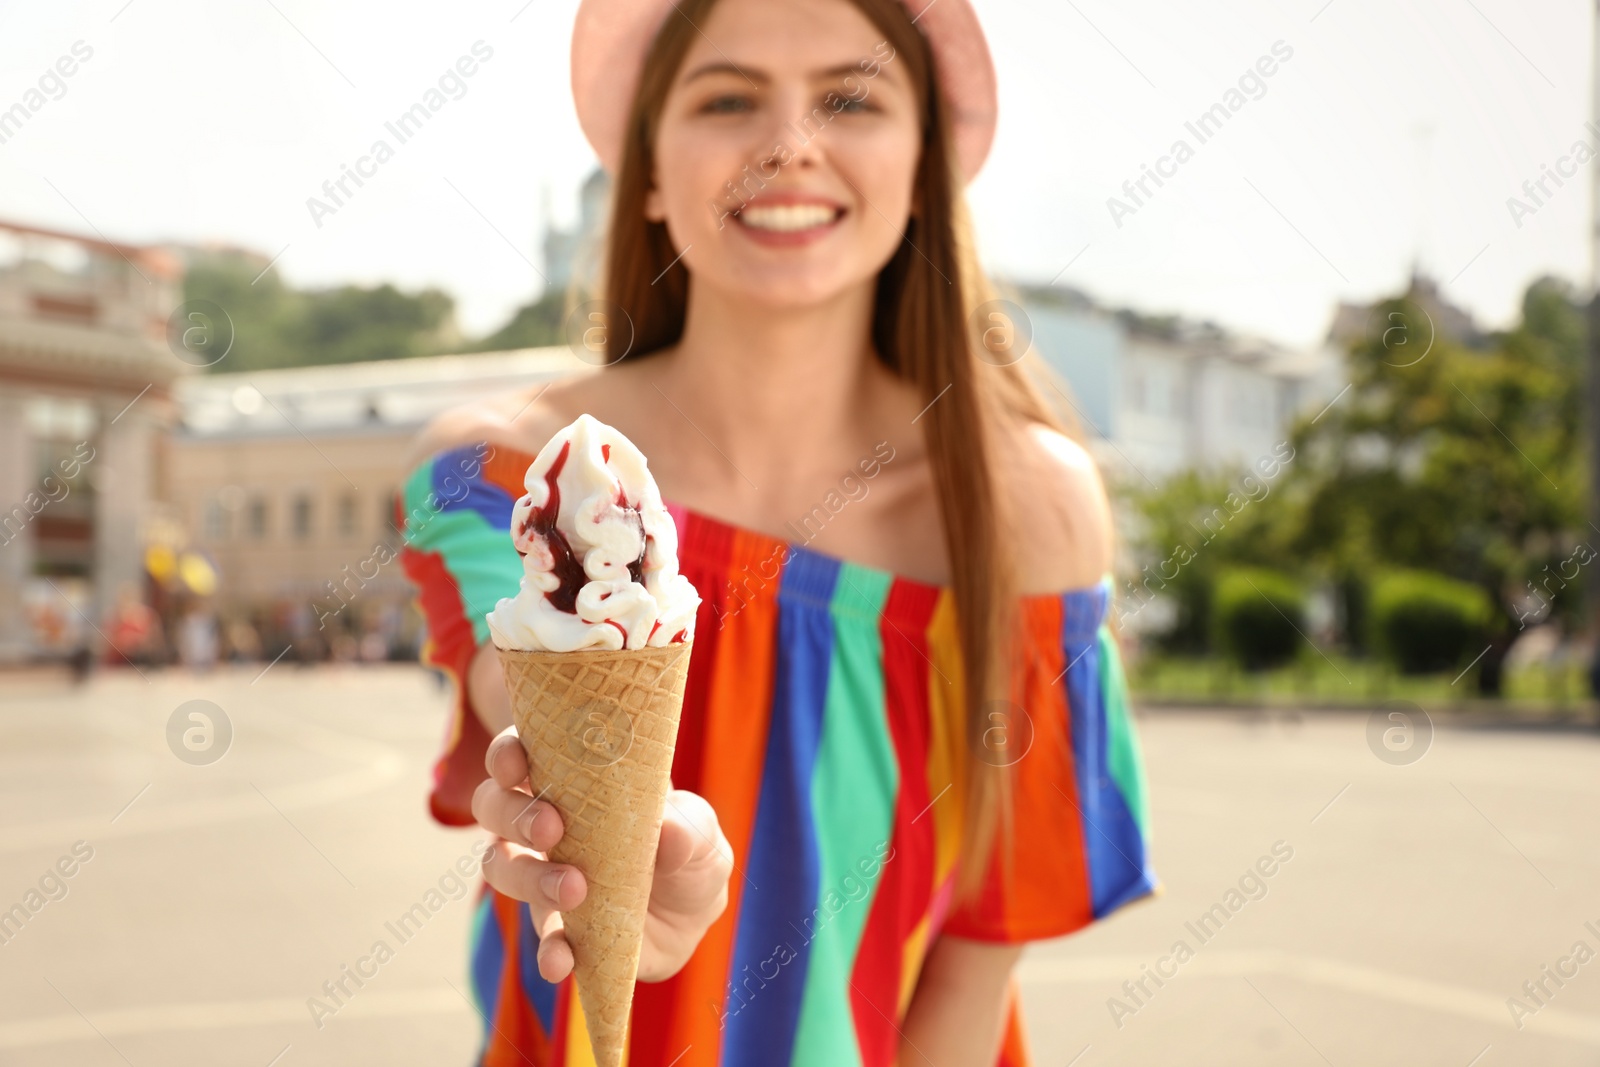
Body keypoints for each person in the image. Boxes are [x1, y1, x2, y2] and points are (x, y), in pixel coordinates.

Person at [399, 0, 1156, 1063]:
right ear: (649, 169)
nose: (791, 144)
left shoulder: (1026, 511)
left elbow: (976, 959)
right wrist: (633, 841)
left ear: (921, 164)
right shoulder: (496, 468)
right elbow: (508, 672)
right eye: (726, 98)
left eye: (851, 99)